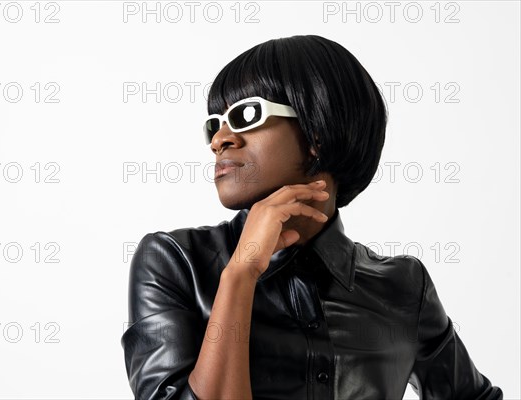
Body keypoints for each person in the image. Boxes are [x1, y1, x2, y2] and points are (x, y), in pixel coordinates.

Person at [121, 35, 503, 400]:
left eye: (245, 115)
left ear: (316, 130)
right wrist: (240, 274)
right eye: (215, 123)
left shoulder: (404, 287)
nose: (219, 139)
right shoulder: (173, 261)